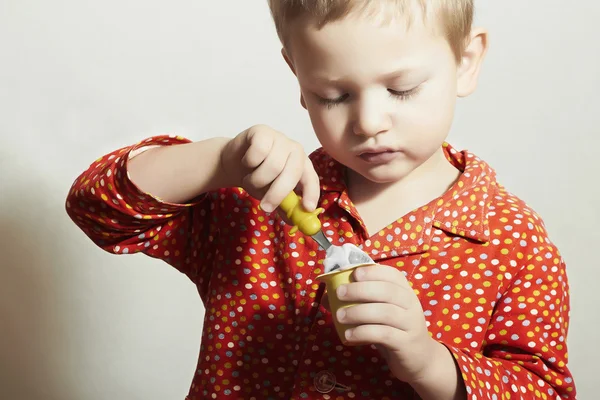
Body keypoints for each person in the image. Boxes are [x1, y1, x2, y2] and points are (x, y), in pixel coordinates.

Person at [65, 1, 576, 399]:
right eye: (335, 95)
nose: (370, 122)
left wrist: (428, 361)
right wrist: (220, 161)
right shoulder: (261, 204)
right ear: (299, 80)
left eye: (402, 89)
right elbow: (98, 209)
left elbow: (543, 390)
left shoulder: (512, 241)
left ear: (466, 60)